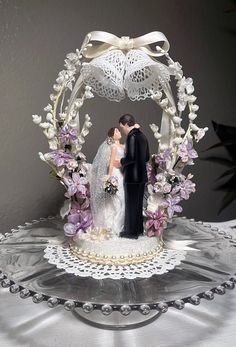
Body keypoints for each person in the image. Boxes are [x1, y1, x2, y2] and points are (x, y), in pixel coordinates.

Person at [115, 114, 150, 239]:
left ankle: (130, 232)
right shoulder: (142, 136)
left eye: (122, 126)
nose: (122, 130)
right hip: (141, 176)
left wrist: (121, 162)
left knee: (131, 205)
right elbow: (147, 157)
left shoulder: (132, 137)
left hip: (132, 177)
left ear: (125, 124)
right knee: (138, 204)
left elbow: (131, 157)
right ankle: (138, 229)